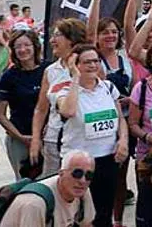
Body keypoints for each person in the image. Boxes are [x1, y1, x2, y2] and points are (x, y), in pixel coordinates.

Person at [57, 44, 129, 227]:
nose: (92, 65)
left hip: (107, 159)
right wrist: (75, 77)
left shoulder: (108, 87)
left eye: (96, 61)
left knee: (103, 213)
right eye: (86, 62)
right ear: (76, 64)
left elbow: (120, 119)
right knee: (77, 215)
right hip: (78, 163)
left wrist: (123, 141)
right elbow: (68, 111)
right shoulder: (64, 91)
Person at [31, 17, 87, 177]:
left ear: (72, 39)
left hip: (83, 138)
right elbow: (41, 109)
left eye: (57, 36)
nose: (52, 41)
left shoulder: (89, 66)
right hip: (54, 140)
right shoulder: (50, 71)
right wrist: (36, 139)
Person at [0, 29, 46, 179]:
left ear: (35, 46)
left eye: (26, 45)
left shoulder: (48, 70)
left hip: (48, 138)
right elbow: (0, 115)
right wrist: (21, 137)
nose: (23, 50)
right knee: (25, 181)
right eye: (18, 47)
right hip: (20, 139)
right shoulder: (9, 76)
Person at [0, 150, 96, 227]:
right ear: (61, 174)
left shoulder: (82, 191)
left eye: (89, 175)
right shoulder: (35, 204)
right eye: (77, 174)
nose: (83, 181)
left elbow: (87, 224)